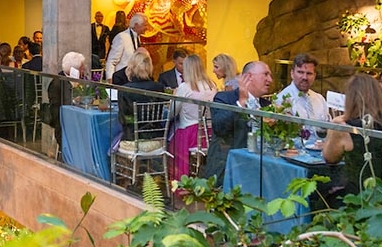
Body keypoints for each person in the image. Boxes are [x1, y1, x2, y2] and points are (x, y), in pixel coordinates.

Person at [320, 74, 382, 208]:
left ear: (350, 99)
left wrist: (334, 124)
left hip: (361, 198)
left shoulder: (346, 128)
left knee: (319, 195)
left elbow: (329, 158)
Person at [202, 61, 274, 182]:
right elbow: (220, 128)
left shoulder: (267, 105)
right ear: (248, 77)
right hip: (228, 168)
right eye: (265, 75)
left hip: (259, 170)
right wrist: (241, 103)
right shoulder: (224, 98)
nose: (270, 80)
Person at [170, 55, 217, 183]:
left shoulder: (184, 87)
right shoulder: (211, 85)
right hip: (209, 133)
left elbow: (172, 113)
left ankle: (180, 181)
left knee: (170, 141)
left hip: (190, 134)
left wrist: (173, 98)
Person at [274, 53, 328, 143]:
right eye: (300, 72)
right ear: (292, 73)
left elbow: (327, 128)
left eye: (309, 73)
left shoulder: (320, 99)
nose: (305, 77)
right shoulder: (281, 100)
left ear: (314, 76)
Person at [117, 51, 165, 145]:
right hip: (156, 135)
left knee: (112, 143)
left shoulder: (125, 89)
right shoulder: (159, 87)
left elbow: (124, 118)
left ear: (131, 67)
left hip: (132, 137)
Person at [45, 51, 89, 149]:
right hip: (65, 124)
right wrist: (73, 102)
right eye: (82, 68)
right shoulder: (57, 84)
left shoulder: (81, 80)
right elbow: (56, 112)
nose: (84, 70)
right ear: (75, 69)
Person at [105, 13, 149, 80]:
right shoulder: (121, 37)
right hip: (122, 79)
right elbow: (111, 61)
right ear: (136, 25)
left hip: (134, 79)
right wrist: (110, 78)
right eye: (145, 25)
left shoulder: (137, 37)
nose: (147, 28)